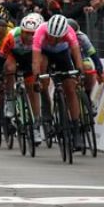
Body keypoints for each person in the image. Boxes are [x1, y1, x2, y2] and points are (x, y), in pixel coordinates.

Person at [31, 14, 85, 151]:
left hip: (62, 53)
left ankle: (76, 130)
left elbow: (76, 54)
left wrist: (80, 71)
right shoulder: (40, 32)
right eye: (52, 37)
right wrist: (37, 78)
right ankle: (47, 114)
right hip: (44, 53)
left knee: (71, 90)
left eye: (58, 37)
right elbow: (35, 61)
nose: (54, 40)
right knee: (42, 73)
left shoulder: (69, 32)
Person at [0, 13, 44, 145]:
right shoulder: (12, 36)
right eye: (26, 33)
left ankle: (36, 125)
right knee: (10, 68)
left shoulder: (41, 39)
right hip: (13, 56)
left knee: (33, 90)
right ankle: (10, 99)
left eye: (32, 34)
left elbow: (41, 60)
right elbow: (2, 56)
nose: (29, 36)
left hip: (30, 59)